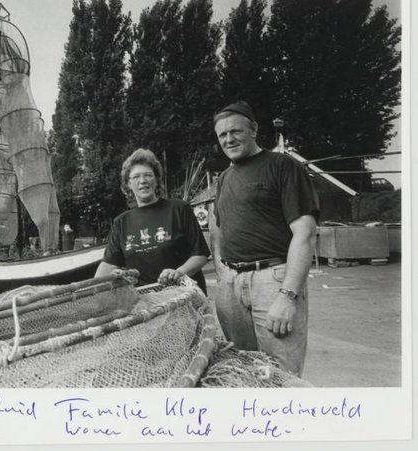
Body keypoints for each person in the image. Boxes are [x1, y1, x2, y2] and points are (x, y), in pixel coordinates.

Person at [211, 101, 319, 377]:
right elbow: (218, 230)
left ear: (254, 129)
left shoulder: (283, 166)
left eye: (235, 131)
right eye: (222, 135)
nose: (229, 139)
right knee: (243, 371)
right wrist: (223, 273)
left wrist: (288, 295)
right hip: (231, 287)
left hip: (272, 281)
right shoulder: (223, 179)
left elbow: (304, 233)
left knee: (281, 376)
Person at [95, 148, 210, 293]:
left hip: (185, 297)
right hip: (147, 303)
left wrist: (179, 272)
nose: (142, 181)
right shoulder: (121, 223)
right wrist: (109, 278)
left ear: (156, 179)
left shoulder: (179, 209)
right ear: (128, 184)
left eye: (148, 175)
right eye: (136, 177)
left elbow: (201, 255)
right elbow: (108, 266)